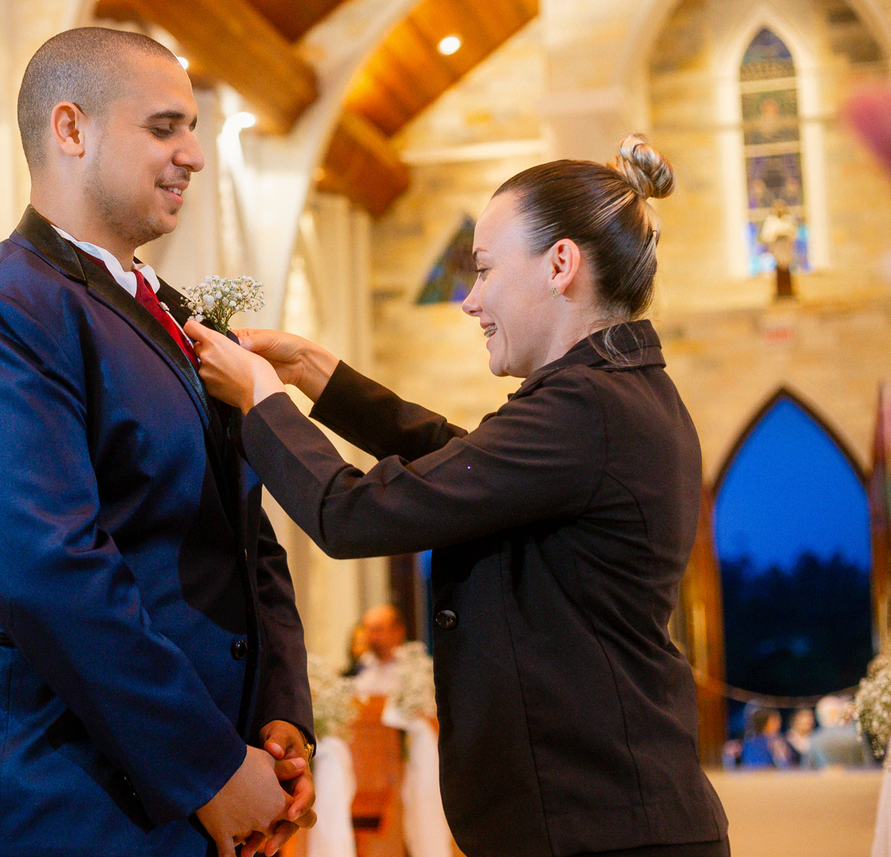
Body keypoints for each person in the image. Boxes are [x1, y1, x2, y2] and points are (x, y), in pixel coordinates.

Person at [186, 135, 729, 857]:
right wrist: (316, 371)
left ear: (560, 265)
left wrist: (261, 399)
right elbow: (465, 462)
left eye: (484, 269)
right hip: (604, 821)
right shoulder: (611, 393)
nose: (471, 301)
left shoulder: (586, 407)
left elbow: (351, 513)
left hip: (601, 827)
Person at [0, 28, 315, 857]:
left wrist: (279, 713)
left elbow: (245, 534)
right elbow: (45, 566)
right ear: (71, 129)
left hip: (179, 797)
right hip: (38, 805)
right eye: (164, 127)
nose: (193, 155)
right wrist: (211, 768)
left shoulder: (177, 317)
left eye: (193, 129)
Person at [352, 604, 407, 697]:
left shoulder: (413, 666)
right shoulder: (363, 665)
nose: (372, 638)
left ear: (398, 631)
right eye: (368, 630)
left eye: (378, 630)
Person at [807, 695, 875, 769]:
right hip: (855, 775)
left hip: (824, 776)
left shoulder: (815, 738)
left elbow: (806, 769)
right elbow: (868, 764)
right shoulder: (855, 735)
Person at [757, 199, 797, 298]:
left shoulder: (788, 219)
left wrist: (785, 234)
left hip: (785, 247)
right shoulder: (771, 221)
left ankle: (788, 291)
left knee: (786, 269)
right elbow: (766, 234)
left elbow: (793, 232)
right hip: (777, 248)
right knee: (779, 270)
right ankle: (780, 292)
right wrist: (775, 235)